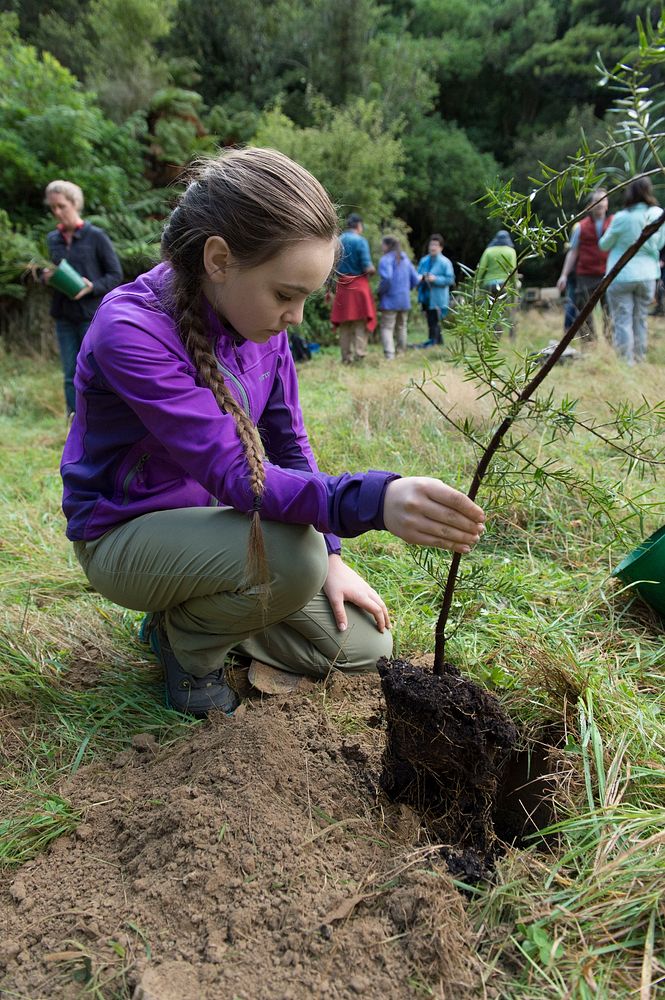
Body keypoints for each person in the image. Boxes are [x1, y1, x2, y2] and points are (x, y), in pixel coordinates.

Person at [60, 148, 486, 718]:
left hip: (217, 536)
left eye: (306, 297)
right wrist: (375, 501)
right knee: (293, 558)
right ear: (218, 259)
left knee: (364, 647)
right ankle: (187, 649)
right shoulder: (131, 331)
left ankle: (191, 614)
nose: (296, 317)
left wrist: (334, 553)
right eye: (286, 294)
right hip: (124, 535)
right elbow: (238, 474)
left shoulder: (259, 321)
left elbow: (288, 445)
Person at [43, 180, 123, 416]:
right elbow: (47, 271)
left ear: (75, 204)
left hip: (91, 316)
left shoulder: (95, 236)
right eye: (53, 207)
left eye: (62, 206)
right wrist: (45, 276)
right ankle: (73, 421)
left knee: (94, 371)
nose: (57, 212)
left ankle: (98, 420)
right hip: (64, 316)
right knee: (69, 373)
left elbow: (115, 274)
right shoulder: (52, 239)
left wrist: (92, 287)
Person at [599, 176, 665, 365]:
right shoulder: (656, 214)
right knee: (641, 318)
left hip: (621, 275)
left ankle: (626, 363)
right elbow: (660, 244)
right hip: (647, 275)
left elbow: (604, 245)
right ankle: (640, 359)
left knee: (622, 320)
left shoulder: (622, 217)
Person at [556, 189, 612, 343]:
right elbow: (573, 252)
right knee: (584, 314)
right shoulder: (581, 226)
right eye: (596, 201)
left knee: (610, 312)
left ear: (607, 204)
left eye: (603, 200)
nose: (600, 204)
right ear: (591, 205)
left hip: (609, 274)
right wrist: (564, 275)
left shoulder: (614, 223)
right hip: (586, 275)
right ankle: (589, 346)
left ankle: (611, 344)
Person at [330, 213, 377, 364]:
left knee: (344, 324)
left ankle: (346, 358)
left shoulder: (338, 241)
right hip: (359, 287)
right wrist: (372, 271)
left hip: (343, 286)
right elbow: (367, 266)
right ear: (358, 226)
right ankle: (359, 355)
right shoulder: (361, 241)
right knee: (359, 323)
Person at [376, 235, 420, 359]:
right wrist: (407, 289)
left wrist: (380, 291)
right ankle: (401, 352)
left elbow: (387, 278)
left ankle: (390, 354)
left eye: (382, 244)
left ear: (387, 245)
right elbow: (416, 279)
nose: (381, 246)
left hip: (390, 299)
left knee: (387, 327)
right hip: (404, 299)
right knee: (402, 326)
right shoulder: (405, 259)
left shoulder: (386, 259)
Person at [475, 230, 518, 337]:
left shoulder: (489, 251)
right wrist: (515, 286)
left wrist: (477, 284)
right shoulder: (510, 251)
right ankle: (503, 334)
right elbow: (513, 270)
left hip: (488, 285)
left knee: (489, 311)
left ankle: (491, 334)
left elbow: (481, 269)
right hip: (504, 285)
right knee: (503, 310)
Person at [416, 234, 455, 347]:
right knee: (430, 321)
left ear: (441, 247)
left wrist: (435, 279)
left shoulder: (445, 262)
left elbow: (450, 279)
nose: (433, 247)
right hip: (425, 296)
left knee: (436, 321)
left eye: (436, 245)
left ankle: (435, 343)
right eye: (431, 244)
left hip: (438, 297)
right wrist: (422, 278)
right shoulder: (424, 261)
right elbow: (417, 275)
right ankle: (435, 342)